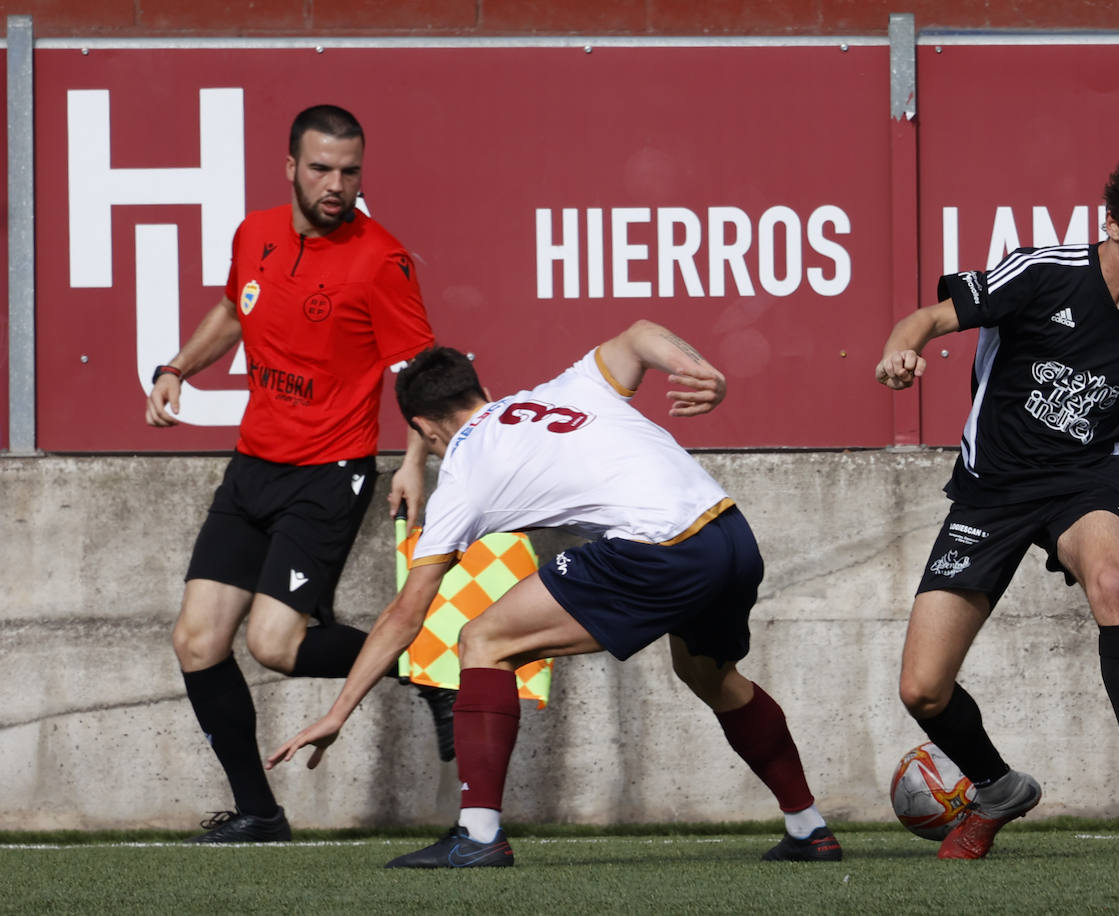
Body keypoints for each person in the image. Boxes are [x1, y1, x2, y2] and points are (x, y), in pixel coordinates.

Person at [266, 319, 842, 868]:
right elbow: (641, 334)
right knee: (709, 675)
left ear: (423, 428)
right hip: (730, 533)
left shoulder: (462, 472)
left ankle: (478, 836)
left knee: (482, 640)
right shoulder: (566, 387)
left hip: (660, 548)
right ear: (482, 392)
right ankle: (808, 829)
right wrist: (699, 370)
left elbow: (405, 614)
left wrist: (337, 713)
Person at [874, 149, 1119, 860]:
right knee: (923, 691)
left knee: (1111, 581)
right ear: (1111, 225)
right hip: (991, 494)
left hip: (1086, 481)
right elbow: (925, 320)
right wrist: (899, 353)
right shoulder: (1041, 274)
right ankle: (998, 788)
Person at [146, 104, 447, 843]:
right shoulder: (254, 233)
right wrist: (176, 367)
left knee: (275, 646)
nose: (335, 185)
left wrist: (414, 463)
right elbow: (234, 310)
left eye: (349, 171)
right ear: (290, 168)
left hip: (329, 475)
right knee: (196, 642)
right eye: (320, 169)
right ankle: (260, 813)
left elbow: (421, 374)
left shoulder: (383, 260)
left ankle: (424, 664)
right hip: (253, 468)